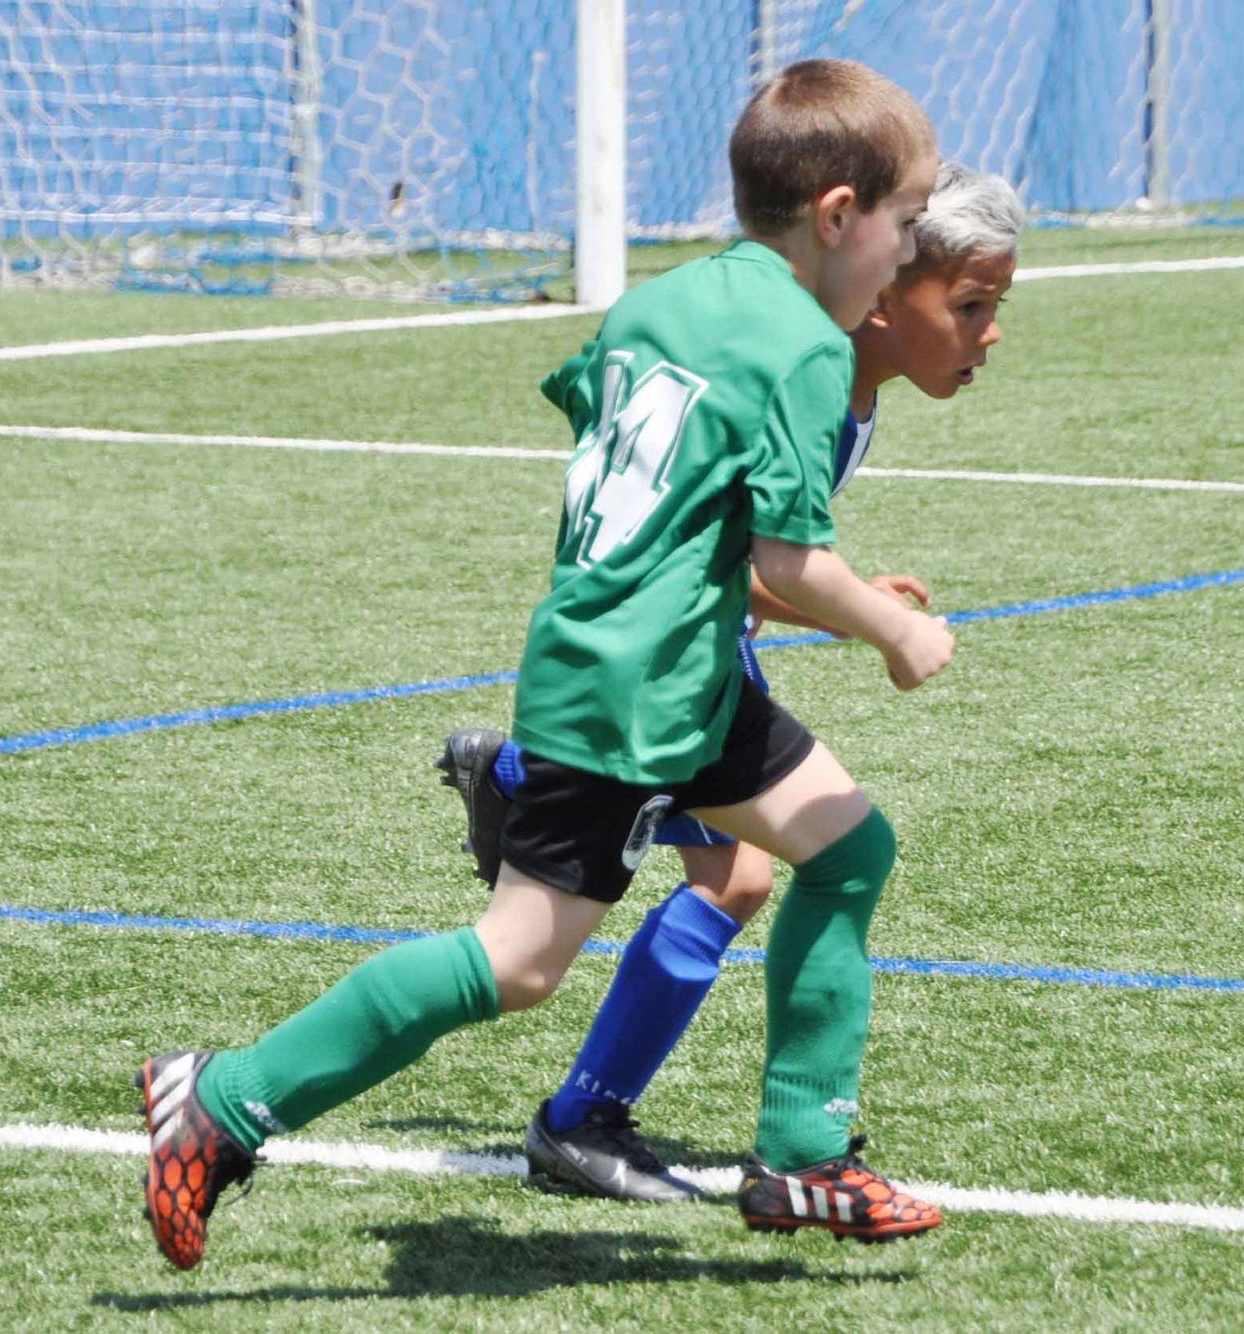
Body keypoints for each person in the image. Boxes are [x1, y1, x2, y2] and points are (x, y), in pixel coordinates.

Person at [135, 58, 952, 1271]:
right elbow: (789, 551)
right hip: (639, 694)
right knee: (517, 960)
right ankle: (229, 1095)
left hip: (658, 663)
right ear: (837, 215)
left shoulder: (659, 303)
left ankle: (803, 1159)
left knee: (845, 844)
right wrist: (893, 630)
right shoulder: (805, 347)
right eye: (903, 224)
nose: (905, 253)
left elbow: (628, 455)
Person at [437, 161, 1024, 1205]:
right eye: (969, 303)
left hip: (697, 633)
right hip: (671, 652)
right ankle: (584, 1114)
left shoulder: (851, 378)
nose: (989, 331)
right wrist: (872, 619)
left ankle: (587, 1100)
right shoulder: (805, 363)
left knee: (748, 877)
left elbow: (754, 562)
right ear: (883, 294)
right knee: (746, 877)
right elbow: (744, 563)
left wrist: (846, 597)